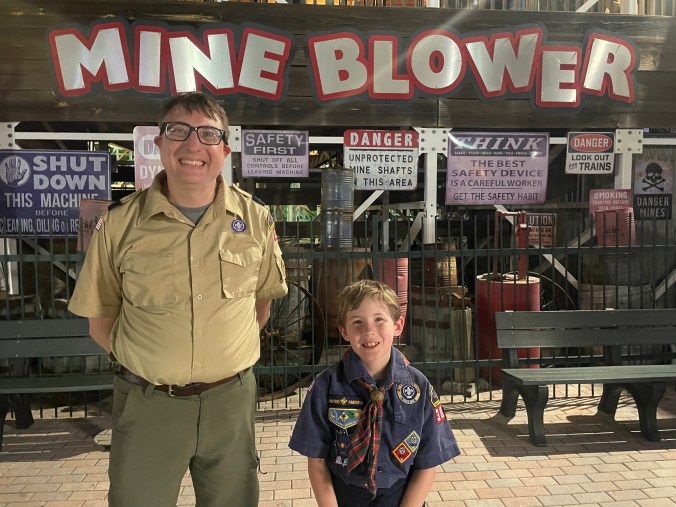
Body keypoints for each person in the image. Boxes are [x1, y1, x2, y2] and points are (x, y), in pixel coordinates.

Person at [68, 92, 288, 507]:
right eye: (178, 130)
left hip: (230, 403)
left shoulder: (255, 219)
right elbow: (101, 320)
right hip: (149, 404)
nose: (193, 145)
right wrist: (153, 362)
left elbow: (261, 305)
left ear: (224, 149)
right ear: (160, 143)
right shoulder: (119, 223)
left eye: (208, 134)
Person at [289, 280, 460, 506]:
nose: (369, 331)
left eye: (379, 319)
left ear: (398, 325)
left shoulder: (418, 387)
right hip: (343, 497)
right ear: (344, 331)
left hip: (401, 497)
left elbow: (427, 463)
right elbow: (317, 462)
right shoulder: (326, 387)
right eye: (357, 322)